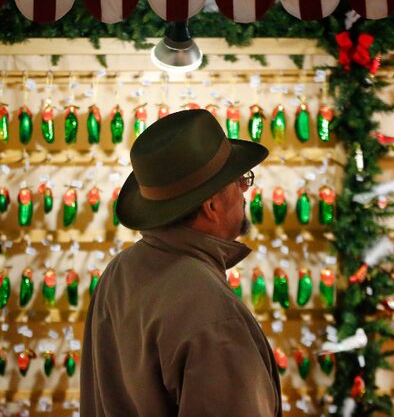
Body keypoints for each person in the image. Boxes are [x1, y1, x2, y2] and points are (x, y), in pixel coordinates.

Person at [81, 109, 282, 416]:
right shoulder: (213, 313)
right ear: (212, 205)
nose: (245, 192)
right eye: (240, 180)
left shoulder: (118, 272)